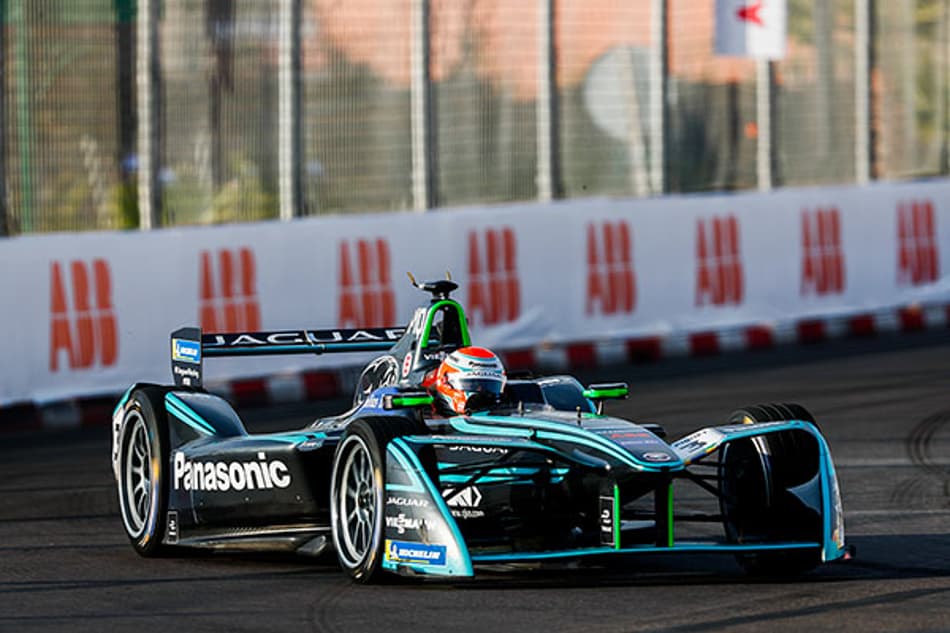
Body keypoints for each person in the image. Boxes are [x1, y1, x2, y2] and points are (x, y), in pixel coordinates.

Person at [430, 346, 506, 416]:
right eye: (472, 384)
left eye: (488, 386)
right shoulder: (425, 419)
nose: (480, 391)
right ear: (445, 382)